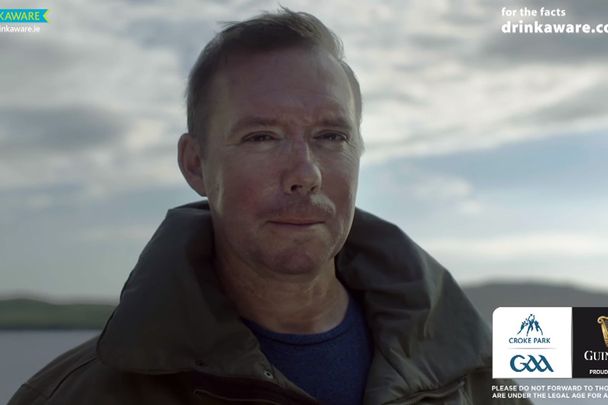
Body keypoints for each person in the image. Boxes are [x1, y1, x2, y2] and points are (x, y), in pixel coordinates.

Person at [9, 9, 530, 405]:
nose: (306, 174)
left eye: (330, 136)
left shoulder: (474, 375)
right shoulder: (80, 394)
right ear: (195, 165)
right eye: (262, 136)